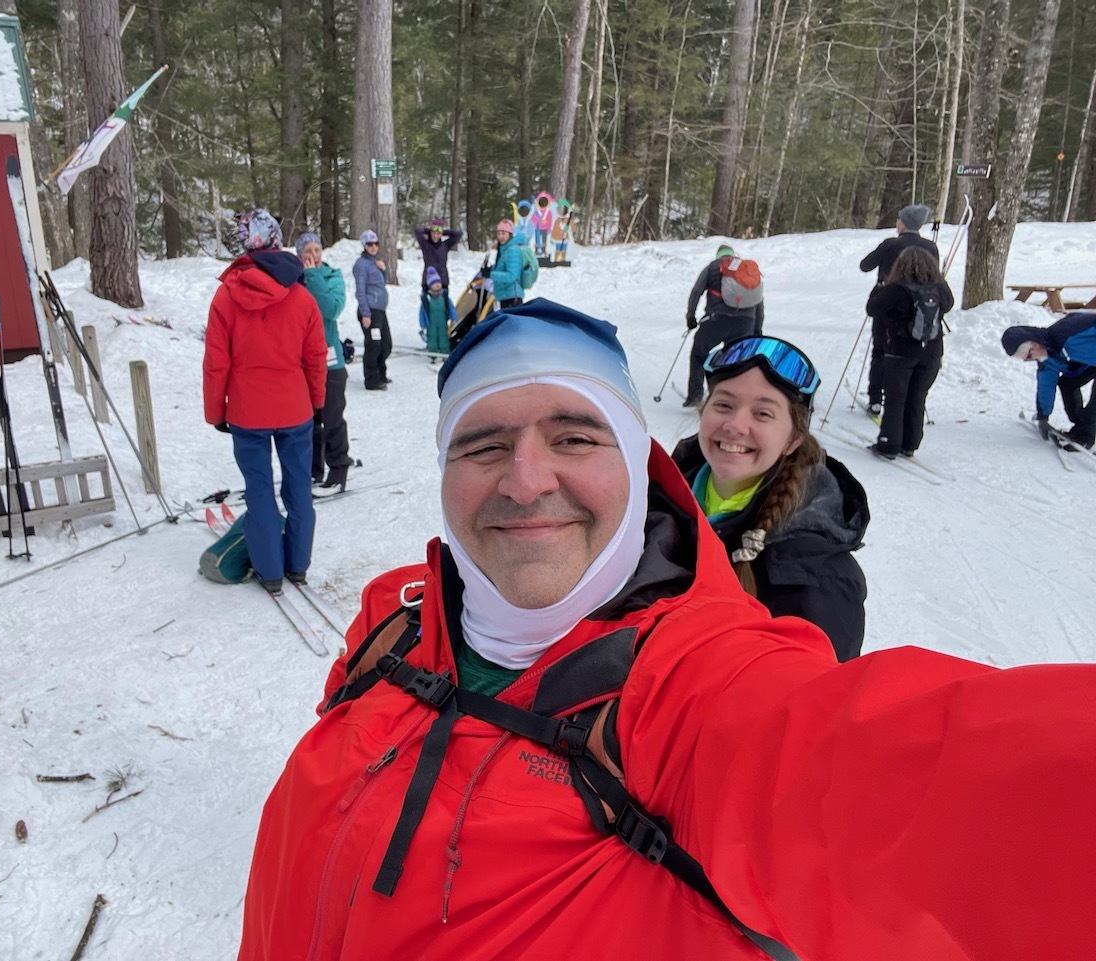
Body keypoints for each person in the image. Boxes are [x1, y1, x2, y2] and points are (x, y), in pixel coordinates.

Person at [236, 299, 1096, 961]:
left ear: (637, 466)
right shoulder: (395, 619)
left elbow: (915, 776)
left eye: (575, 437)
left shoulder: (694, 688)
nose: (525, 479)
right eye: (482, 445)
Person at [671, 336, 868, 660]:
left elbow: (814, 688)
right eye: (724, 405)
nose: (736, 425)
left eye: (762, 414)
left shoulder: (819, 579)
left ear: (793, 440)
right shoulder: (659, 491)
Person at [202, 209, 325, 595]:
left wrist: (216, 412)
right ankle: (297, 565)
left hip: (247, 411)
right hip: (295, 409)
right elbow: (315, 357)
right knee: (298, 488)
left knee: (259, 490)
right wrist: (317, 402)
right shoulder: (301, 296)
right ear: (276, 239)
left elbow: (216, 363)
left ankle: (269, 570)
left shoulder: (226, 296)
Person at [863, 247, 954, 459]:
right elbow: (948, 305)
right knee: (917, 396)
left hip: (901, 351)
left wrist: (877, 290)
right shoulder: (939, 287)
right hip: (931, 351)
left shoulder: (897, 288)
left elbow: (873, 309)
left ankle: (889, 444)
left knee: (895, 398)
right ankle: (910, 443)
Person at [858, 204, 940, 416]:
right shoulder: (930, 247)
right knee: (907, 353)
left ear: (903, 223)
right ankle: (904, 400)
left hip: (887, 303)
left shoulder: (890, 244)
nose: (897, 222)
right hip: (918, 308)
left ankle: (875, 399)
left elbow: (865, 265)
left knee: (880, 351)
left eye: (898, 219)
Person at [295, 231, 354, 493]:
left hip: (331, 363)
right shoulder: (293, 280)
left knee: (332, 418)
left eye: (317, 250)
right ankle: (313, 470)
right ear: (299, 255)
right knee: (308, 421)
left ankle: (339, 469)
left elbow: (331, 309)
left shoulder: (332, 276)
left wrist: (314, 276)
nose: (314, 256)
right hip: (302, 362)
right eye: (307, 252)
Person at [683, 243, 765, 406]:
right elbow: (758, 302)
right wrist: (757, 329)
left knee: (699, 353)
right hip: (745, 323)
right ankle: (732, 399)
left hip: (717, 320)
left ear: (718, 256)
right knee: (734, 361)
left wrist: (690, 316)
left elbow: (696, 291)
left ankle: (695, 396)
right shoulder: (746, 271)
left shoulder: (713, 267)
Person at [1001, 311, 1096, 449]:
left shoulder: (1067, 331)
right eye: (1026, 359)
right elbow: (1046, 386)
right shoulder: (1046, 357)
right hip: (1091, 362)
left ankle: (1085, 437)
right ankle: (1081, 427)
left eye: (1029, 355)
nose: (1031, 359)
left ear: (1034, 344)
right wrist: (1043, 417)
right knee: (1067, 384)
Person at [353, 229, 392, 391]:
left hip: (380, 310)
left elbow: (383, 283)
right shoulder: (361, 265)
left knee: (386, 344)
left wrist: (383, 270)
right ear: (364, 245)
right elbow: (360, 290)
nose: (374, 247)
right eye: (370, 244)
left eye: (376, 244)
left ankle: (381, 374)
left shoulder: (375, 263)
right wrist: (365, 313)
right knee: (373, 345)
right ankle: (371, 379)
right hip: (370, 310)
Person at [487, 218, 527, 309]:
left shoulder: (513, 250)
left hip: (513, 298)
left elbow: (512, 276)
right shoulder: (504, 250)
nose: (501, 236)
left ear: (510, 234)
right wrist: (490, 270)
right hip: (506, 296)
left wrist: (491, 274)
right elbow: (503, 269)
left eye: (503, 233)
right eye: (499, 234)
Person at [414, 218, 463, 291]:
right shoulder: (425, 244)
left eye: (438, 234)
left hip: (442, 281)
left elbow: (458, 234)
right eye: (433, 233)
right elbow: (417, 231)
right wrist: (428, 230)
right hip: (428, 282)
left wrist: (444, 231)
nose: (435, 236)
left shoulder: (445, 245)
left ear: (441, 234)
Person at [418, 265, 456, 358]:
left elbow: (451, 307)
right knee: (432, 339)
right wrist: (423, 324)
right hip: (431, 324)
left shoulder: (444, 297)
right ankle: (432, 354)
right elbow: (422, 312)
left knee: (443, 337)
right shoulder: (427, 299)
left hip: (443, 322)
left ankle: (444, 353)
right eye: (434, 283)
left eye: (438, 282)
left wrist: (454, 317)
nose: (437, 284)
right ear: (430, 285)